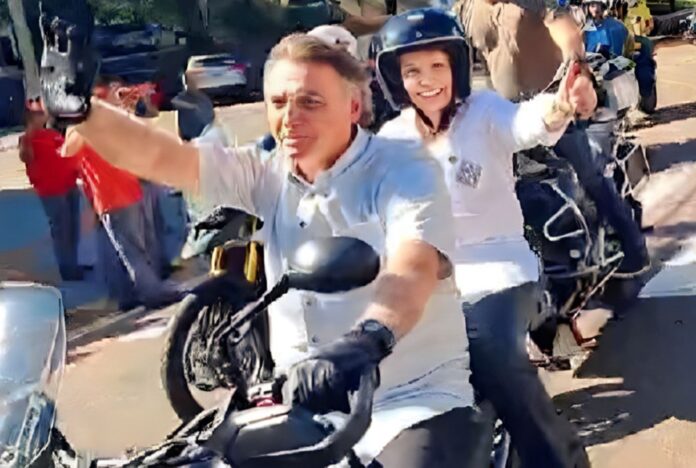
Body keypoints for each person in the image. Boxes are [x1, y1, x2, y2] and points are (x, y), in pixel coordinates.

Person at [42, 22, 489, 466]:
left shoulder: (404, 170)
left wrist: (367, 338)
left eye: (310, 102)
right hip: (301, 403)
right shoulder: (267, 172)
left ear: (354, 106)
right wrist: (82, 112)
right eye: (278, 102)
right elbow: (166, 157)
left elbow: (412, 268)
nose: (290, 118)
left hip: (408, 399)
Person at [373, 8, 594, 467]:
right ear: (396, 79)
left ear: (456, 66)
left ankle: (562, 458)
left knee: (488, 345)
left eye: (437, 65)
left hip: (499, 270)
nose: (427, 80)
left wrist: (562, 104)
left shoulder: (484, 112)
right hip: (426, 283)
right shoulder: (392, 138)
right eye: (412, 71)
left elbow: (527, 123)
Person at [63, 77, 181, 310]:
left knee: (128, 250)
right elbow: (69, 151)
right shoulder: (85, 129)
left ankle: (130, 295)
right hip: (113, 198)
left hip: (125, 193)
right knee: (131, 251)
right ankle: (150, 292)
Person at [19, 105, 82, 281]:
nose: (44, 116)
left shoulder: (51, 134)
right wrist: (29, 133)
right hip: (52, 190)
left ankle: (72, 263)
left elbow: (66, 153)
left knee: (73, 228)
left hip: (68, 185)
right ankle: (67, 269)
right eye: (39, 114)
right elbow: (26, 157)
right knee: (62, 229)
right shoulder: (28, 140)